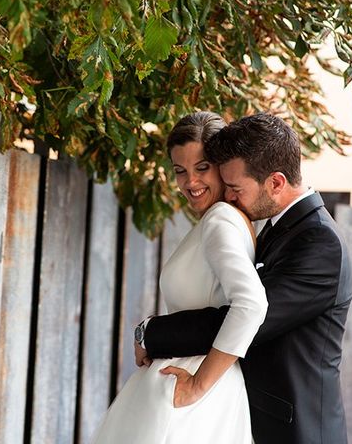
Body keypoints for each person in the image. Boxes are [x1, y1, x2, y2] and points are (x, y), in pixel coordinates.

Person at [136, 112, 352, 444]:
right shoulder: (274, 228)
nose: (230, 197)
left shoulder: (319, 243)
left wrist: (152, 333)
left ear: (276, 182)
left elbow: (249, 316)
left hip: (296, 432)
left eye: (235, 188)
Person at [91, 111, 268, 444]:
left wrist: (199, 385)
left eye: (202, 168)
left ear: (223, 165)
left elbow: (252, 304)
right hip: (202, 385)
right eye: (180, 171)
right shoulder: (222, 220)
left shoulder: (220, 221)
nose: (190, 183)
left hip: (195, 394)